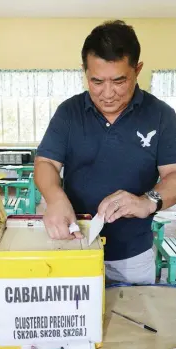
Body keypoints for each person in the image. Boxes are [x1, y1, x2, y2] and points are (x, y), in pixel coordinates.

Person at [34, 20, 176, 284]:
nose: (108, 94)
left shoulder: (161, 116)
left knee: (132, 320)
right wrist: (54, 198)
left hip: (132, 256)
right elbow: (46, 164)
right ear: (85, 72)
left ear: (138, 69)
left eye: (119, 81)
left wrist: (148, 200)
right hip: (74, 244)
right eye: (96, 81)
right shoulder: (69, 112)